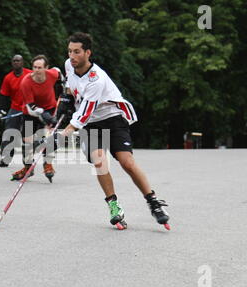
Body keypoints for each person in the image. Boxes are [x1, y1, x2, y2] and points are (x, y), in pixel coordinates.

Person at [55, 32, 170, 230]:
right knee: (99, 161)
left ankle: (153, 202)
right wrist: (66, 98)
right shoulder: (68, 65)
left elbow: (84, 113)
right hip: (91, 124)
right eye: (69, 51)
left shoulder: (96, 79)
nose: (72, 56)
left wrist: (62, 135)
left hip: (111, 118)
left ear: (87, 53)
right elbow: (70, 85)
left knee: (127, 162)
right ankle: (114, 205)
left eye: (77, 52)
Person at [11, 54, 64, 183]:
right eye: (34, 67)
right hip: (31, 112)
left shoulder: (51, 74)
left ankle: (48, 164)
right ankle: (28, 167)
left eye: (40, 67)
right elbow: (31, 107)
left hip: (49, 108)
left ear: (46, 68)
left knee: (47, 138)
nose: (37, 70)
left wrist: (64, 86)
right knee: (27, 143)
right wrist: (43, 115)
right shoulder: (26, 82)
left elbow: (58, 71)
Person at [0, 55, 32, 167]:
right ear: (12, 63)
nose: (16, 62)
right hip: (15, 108)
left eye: (19, 61)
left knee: (28, 134)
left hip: (29, 109)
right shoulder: (8, 78)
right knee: (9, 134)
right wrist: (1, 110)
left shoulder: (30, 74)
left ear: (22, 62)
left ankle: (27, 160)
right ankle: (5, 158)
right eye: (14, 61)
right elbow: (3, 95)